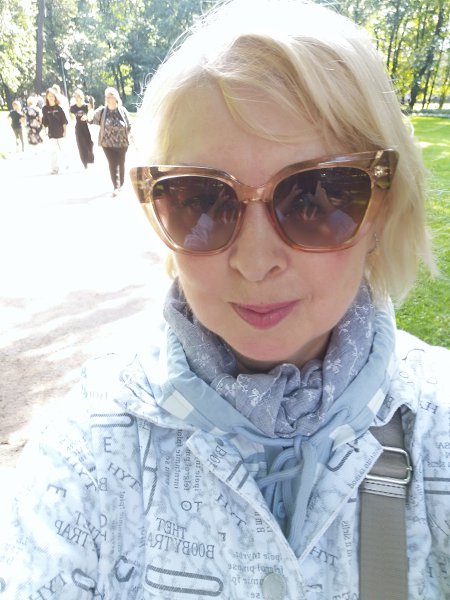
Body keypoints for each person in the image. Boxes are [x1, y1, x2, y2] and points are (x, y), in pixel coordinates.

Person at [0, 1, 449, 598]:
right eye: (201, 201)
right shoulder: (88, 454)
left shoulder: (436, 427)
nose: (255, 262)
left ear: (381, 210)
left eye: (314, 198)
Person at [91, 86, 131, 195]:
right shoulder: (102, 111)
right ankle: (116, 187)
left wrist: (128, 135)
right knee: (112, 164)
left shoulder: (122, 111)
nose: (109, 98)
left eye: (111, 96)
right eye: (107, 97)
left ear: (116, 98)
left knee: (121, 163)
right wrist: (87, 116)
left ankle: (121, 183)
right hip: (107, 144)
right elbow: (91, 119)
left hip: (122, 143)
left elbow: (129, 125)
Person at [42, 87, 68, 174]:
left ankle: (66, 165)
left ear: (55, 97)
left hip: (60, 132)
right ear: (46, 97)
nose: (51, 97)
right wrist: (44, 131)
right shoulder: (45, 109)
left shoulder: (59, 108)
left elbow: (64, 121)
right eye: (49, 96)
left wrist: (65, 131)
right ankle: (55, 169)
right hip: (51, 133)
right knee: (53, 152)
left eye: (52, 96)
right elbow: (45, 122)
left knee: (63, 150)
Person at [70, 88, 94, 169]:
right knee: (81, 145)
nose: (77, 98)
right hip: (78, 128)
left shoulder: (86, 106)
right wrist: (72, 117)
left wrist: (87, 116)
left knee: (89, 144)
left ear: (81, 97)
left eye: (78, 96)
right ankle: (84, 162)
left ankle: (90, 159)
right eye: (75, 96)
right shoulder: (73, 107)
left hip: (87, 127)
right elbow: (72, 117)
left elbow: (91, 116)